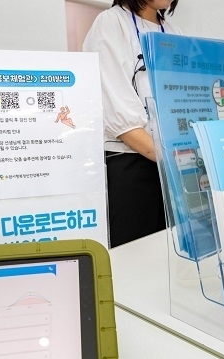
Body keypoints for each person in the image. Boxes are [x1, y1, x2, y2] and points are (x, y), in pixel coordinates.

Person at [83, 0, 181, 248]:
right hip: (131, 164)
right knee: (134, 256)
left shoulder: (172, 30)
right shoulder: (112, 22)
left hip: (172, 166)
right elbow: (119, 117)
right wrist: (176, 159)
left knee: (170, 253)